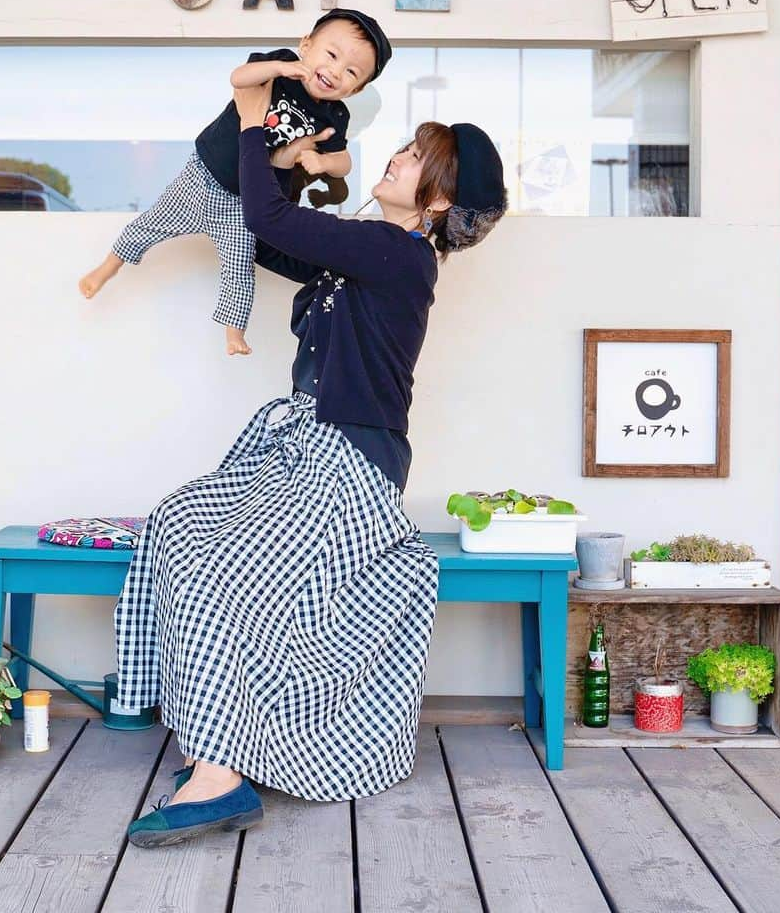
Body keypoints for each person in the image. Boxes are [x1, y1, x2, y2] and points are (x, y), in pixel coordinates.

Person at [115, 75, 508, 848]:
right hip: (303, 448)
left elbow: (267, 215)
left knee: (214, 565)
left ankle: (221, 779)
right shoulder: (363, 253)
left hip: (348, 466)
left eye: (415, 157)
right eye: (400, 147)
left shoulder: (396, 253)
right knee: (180, 525)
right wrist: (291, 161)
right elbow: (263, 235)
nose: (394, 160)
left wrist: (260, 126)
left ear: (436, 201)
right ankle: (216, 749)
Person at [77, 8, 392, 356]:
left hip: (246, 205)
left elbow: (345, 163)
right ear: (306, 45)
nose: (335, 71)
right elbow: (239, 78)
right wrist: (278, 68)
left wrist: (322, 160)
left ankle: (233, 334)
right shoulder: (281, 65)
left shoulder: (333, 116)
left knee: (239, 269)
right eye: (331, 55)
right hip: (205, 172)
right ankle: (106, 269)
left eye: (351, 72)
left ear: (356, 88)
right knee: (151, 224)